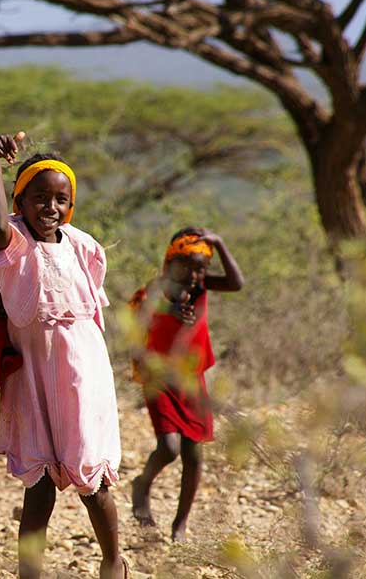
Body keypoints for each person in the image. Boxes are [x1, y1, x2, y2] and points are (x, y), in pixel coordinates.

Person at [0, 132, 126, 579]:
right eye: (38, 198)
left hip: (82, 372)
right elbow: (0, 229)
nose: (50, 207)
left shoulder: (82, 246)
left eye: (60, 199)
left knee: (92, 478)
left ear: (71, 205)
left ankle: (112, 562)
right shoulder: (13, 241)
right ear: (19, 203)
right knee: (39, 483)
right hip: (32, 374)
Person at [129, 227, 244, 542]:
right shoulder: (156, 289)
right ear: (170, 263)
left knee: (194, 457)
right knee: (169, 448)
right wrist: (168, 309)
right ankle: (142, 484)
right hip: (160, 379)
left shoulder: (203, 286)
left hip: (192, 381)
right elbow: (140, 321)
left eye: (201, 267)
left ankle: (179, 525)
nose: (196, 274)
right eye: (188, 266)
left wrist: (219, 242)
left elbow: (236, 283)